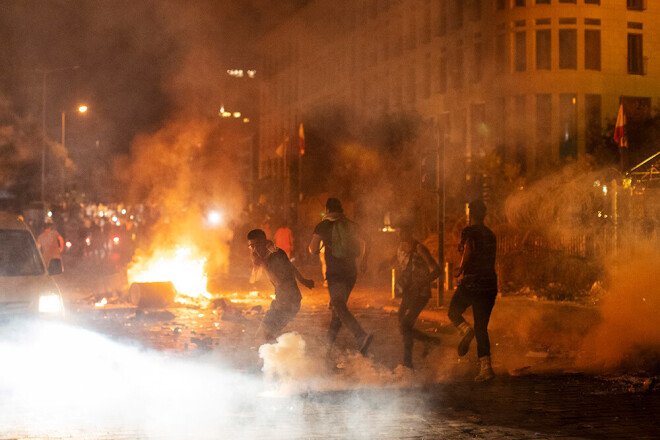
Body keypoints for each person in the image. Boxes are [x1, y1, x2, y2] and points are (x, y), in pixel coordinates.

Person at [308, 198, 373, 357]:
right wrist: (364, 260)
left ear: (327, 209)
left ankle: (360, 335)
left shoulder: (323, 225)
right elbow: (368, 240)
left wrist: (317, 250)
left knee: (338, 306)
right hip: (351, 272)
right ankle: (326, 349)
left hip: (335, 273)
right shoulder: (351, 224)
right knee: (337, 310)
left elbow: (312, 248)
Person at [449, 199, 498, 382]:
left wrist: (461, 268)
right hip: (490, 284)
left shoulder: (469, 231)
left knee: (453, 310)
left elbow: (468, 249)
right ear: (484, 214)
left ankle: (465, 330)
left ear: (471, 213)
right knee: (481, 326)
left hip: (473, 282)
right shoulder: (491, 234)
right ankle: (486, 367)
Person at [382, 224, 442, 369]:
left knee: (405, 325)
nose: (399, 235)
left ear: (409, 232)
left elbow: (437, 270)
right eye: (399, 232)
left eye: (402, 232)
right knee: (403, 326)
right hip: (409, 293)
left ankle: (408, 362)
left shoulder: (419, 249)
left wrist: (421, 283)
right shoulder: (402, 249)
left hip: (420, 294)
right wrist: (383, 265)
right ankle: (427, 343)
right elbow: (397, 264)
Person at [248, 229, 314, 342]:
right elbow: (290, 266)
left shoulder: (275, 255)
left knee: (262, 337)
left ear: (265, 241)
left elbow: (279, 281)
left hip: (288, 304)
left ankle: (284, 355)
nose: (255, 249)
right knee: (265, 337)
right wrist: (302, 280)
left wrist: (263, 264)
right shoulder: (270, 254)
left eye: (257, 244)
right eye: (252, 246)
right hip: (281, 302)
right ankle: (280, 355)